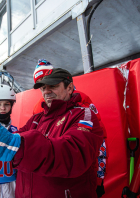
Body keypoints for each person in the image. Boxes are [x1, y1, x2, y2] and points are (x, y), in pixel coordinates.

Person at [0, 68, 104, 197]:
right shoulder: (36, 119)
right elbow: (12, 139)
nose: (46, 91)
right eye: (43, 87)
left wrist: (16, 145)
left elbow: (72, 154)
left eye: (53, 86)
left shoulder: (83, 115)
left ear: (69, 88)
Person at [32, 59, 107, 197]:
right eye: (42, 85)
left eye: (51, 83)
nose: (46, 89)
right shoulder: (38, 107)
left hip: (76, 180)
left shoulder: (81, 100)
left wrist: (98, 179)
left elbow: (98, 142)